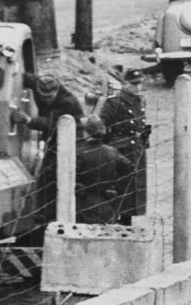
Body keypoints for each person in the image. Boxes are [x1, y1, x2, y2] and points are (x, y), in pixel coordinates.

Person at [12, 74, 85, 224]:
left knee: (53, 173)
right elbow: (22, 75)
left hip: (70, 139)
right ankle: (44, 212)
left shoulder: (67, 102)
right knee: (46, 173)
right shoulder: (38, 84)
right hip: (52, 137)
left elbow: (50, 122)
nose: (46, 99)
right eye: (42, 96)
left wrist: (28, 120)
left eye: (50, 96)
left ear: (57, 91)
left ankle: (48, 215)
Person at [100, 68, 151, 225]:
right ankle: (116, 220)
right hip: (121, 150)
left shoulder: (140, 100)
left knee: (134, 188)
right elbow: (102, 126)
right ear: (125, 84)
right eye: (134, 84)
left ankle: (127, 219)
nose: (138, 87)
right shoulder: (114, 102)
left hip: (136, 149)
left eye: (140, 83)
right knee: (120, 187)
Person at [75, 116, 133, 224]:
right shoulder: (112, 152)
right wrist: (116, 186)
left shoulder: (79, 153)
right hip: (107, 203)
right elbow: (130, 169)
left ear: (86, 133)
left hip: (83, 204)